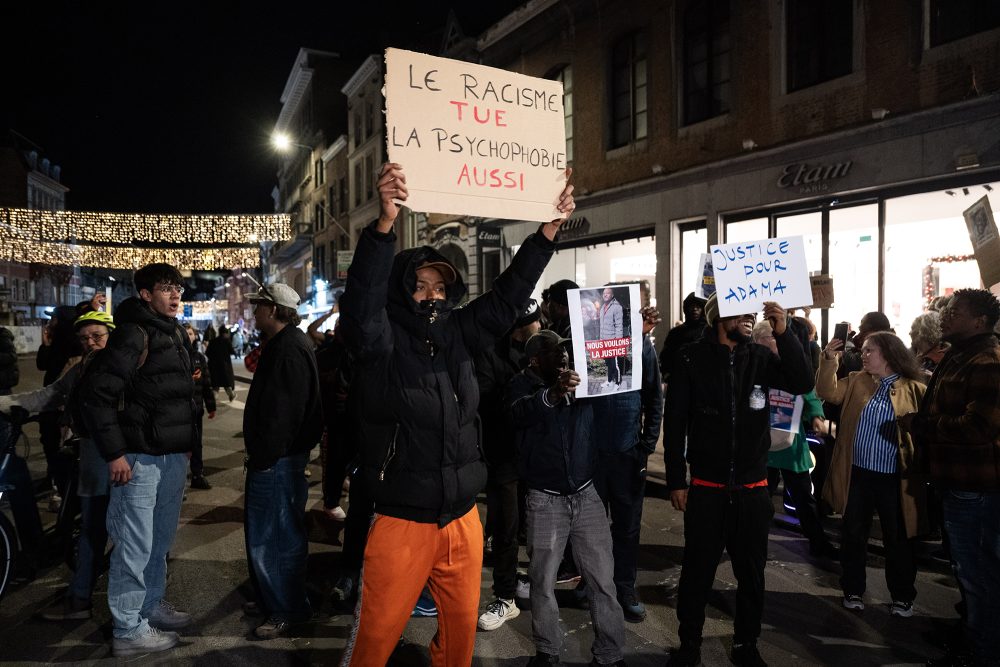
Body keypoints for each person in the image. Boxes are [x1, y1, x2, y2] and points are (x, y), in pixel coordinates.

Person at [337, 162, 574, 665]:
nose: (432, 294)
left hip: (463, 517)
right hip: (402, 517)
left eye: (441, 287)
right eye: (421, 285)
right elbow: (359, 306)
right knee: (376, 638)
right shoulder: (381, 340)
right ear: (403, 291)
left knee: (462, 632)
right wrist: (384, 226)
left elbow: (509, 297)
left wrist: (546, 235)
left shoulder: (463, 331)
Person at [664, 293, 814, 667]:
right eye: (741, 311)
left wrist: (786, 332)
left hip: (752, 490)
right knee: (697, 574)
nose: (750, 316)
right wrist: (675, 480)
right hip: (707, 491)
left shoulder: (761, 358)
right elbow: (676, 422)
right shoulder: (691, 359)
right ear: (719, 317)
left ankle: (746, 644)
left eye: (752, 313)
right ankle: (690, 645)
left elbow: (801, 381)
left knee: (752, 576)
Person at [78, 263, 196, 657]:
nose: (175, 295)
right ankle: (128, 628)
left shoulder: (173, 331)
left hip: (170, 456)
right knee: (134, 544)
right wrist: (114, 453)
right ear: (145, 294)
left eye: (177, 288)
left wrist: (186, 449)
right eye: (166, 289)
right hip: (139, 459)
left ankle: (149, 606)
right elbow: (98, 396)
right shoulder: (135, 332)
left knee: (159, 541)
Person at [509, 330, 626, 666]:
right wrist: (555, 393)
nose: (562, 355)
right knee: (542, 581)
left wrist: (612, 342)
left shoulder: (582, 376)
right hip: (545, 499)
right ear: (535, 360)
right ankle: (547, 652)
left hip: (586, 494)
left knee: (603, 580)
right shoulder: (521, 386)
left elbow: (614, 374)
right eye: (552, 351)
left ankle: (610, 653)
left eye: (564, 349)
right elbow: (518, 414)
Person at [899, 288, 1000, 667]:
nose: (945, 315)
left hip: (977, 487)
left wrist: (921, 425)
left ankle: (982, 650)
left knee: (979, 573)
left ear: (979, 321)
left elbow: (979, 427)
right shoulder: (960, 355)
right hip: (957, 481)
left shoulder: (988, 359)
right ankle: (974, 634)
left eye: (955, 312)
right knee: (969, 571)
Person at [1, 310, 116, 620]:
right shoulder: (80, 369)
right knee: (92, 527)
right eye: (84, 339)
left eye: (97, 336)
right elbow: (49, 395)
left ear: (111, 336)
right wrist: (6, 403)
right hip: (93, 460)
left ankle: (126, 604)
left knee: (121, 530)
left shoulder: (121, 367)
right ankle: (80, 598)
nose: (90, 343)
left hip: (117, 464)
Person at [817, 331, 926, 616]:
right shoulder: (856, 381)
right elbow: (827, 392)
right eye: (863, 350)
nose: (863, 355)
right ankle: (852, 589)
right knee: (853, 534)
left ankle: (902, 595)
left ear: (889, 354)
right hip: (858, 474)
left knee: (898, 539)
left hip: (895, 478)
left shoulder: (914, 388)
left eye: (870, 351)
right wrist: (828, 361)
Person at [242, 282, 324, 639]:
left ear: (274, 310)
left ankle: (286, 608)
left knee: (274, 536)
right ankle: (274, 597)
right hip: (280, 458)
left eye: (259, 305)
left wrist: (265, 457)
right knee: (276, 533)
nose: (254, 311)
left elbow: (284, 414)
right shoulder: (286, 344)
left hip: (277, 460)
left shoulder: (288, 349)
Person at [591, 306, 663, 623]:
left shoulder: (642, 346)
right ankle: (591, 586)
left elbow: (654, 399)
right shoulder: (587, 342)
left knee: (627, 527)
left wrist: (645, 447)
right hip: (592, 454)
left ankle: (625, 588)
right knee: (589, 529)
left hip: (627, 454)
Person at [475, 299, 541, 631]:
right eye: (534, 324)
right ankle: (505, 596)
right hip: (504, 456)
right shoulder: (490, 354)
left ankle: (533, 584)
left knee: (542, 527)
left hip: (540, 455)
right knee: (505, 529)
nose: (540, 328)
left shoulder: (547, 347)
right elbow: (488, 404)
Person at [752, 320, 835, 559]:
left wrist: (817, 416)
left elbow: (808, 390)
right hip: (762, 442)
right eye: (772, 337)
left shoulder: (792, 364)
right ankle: (755, 541)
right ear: (759, 340)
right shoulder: (753, 363)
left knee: (802, 497)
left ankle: (818, 542)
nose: (777, 342)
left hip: (789, 440)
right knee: (760, 498)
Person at [35, 304, 82, 507]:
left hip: (62, 407)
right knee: (52, 445)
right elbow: (42, 364)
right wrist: (45, 344)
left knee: (61, 449)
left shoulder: (75, 346)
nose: (50, 322)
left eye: (53, 318)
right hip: (51, 402)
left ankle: (62, 494)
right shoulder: (56, 342)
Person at [182, 323, 215, 490]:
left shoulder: (199, 358)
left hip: (196, 409)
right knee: (180, 444)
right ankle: (179, 479)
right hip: (179, 410)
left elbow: (207, 383)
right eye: (185, 333)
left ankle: (197, 474)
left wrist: (211, 406)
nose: (189, 336)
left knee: (196, 443)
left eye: (191, 333)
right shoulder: (175, 355)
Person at [658, 292, 706, 381]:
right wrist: (668, 375)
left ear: (703, 309)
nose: (695, 309)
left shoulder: (709, 331)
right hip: (679, 379)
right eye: (691, 306)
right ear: (686, 309)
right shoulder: (676, 333)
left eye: (698, 306)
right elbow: (665, 356)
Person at [598, 287, 625, 387]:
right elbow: (602, 326)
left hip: (613, 341)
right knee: (608, 363)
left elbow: (619, 325)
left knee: (615, 364)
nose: (605, 295)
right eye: (604, 293)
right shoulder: (603, 307)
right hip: (605, 341)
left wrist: (618, 343)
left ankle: (618, 384)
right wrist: (601, 340)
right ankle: (609, 381)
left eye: (608, 293)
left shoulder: (617, 307)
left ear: (612, 295)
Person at [206, 327, 236, 401]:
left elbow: (207, 352)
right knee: (226, 383)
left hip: (214, 366)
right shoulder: (227, 341)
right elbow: (232, 351)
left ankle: (214, 399)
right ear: (225, 333)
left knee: (215, 385)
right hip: (224, 366)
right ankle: (231, 395)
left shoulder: (213, 341)